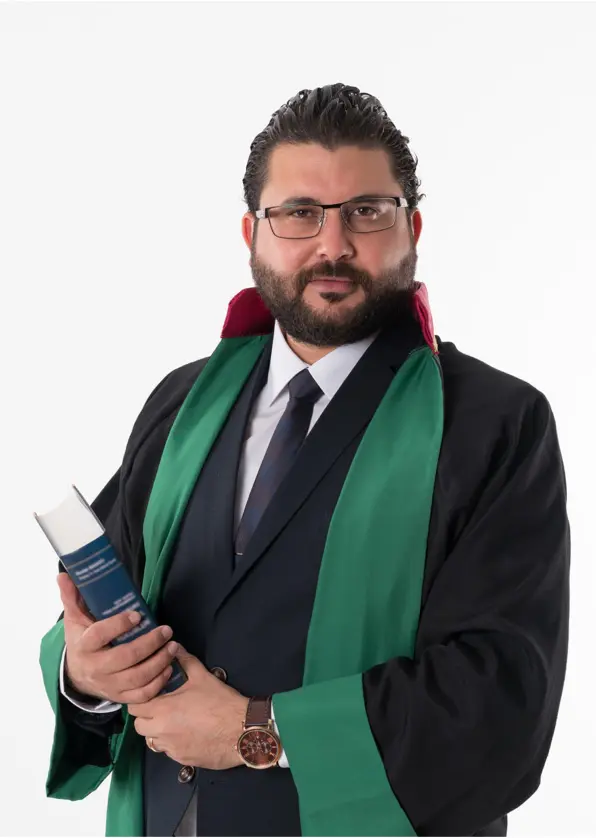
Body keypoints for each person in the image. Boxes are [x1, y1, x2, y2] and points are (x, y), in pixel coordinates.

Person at [39, 83, 570, 838]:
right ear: (252, 233)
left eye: (367, 211)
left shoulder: (492, 424)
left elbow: (500, 704)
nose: (333, 244)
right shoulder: (183, 405)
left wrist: (256, 731)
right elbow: (103, 617)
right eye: (299, 213)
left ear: (412, 228)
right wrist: (86, 674)